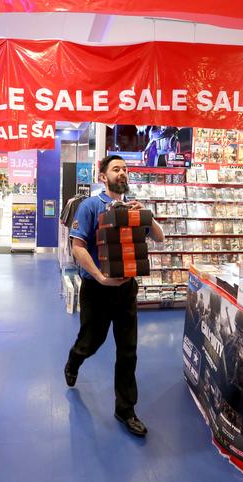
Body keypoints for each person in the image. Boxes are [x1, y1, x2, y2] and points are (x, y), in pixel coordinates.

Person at [64, 154, 164, 437]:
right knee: (91, 341)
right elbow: (78, 247)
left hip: (126, 289)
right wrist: (99, 276)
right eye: (116, 169)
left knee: (128, 350)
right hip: (96, 288)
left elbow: (159, 238)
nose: (123, 173)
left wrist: (146, 214)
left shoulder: (134, 207)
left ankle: (126, 410)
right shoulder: (90, 206)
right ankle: (74, 360)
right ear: (102, 176)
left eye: (126, 169)